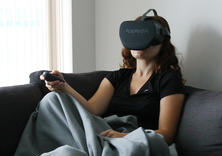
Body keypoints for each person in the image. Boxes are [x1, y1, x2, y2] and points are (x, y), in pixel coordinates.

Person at [40, 15, 186, 146]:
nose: (139, 42)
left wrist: (125, 137)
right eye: (134, 35)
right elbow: (92, 110)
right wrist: (63, 87)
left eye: (145, 36)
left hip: (134, 143)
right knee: (52, 99)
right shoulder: (118, 77)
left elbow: (167, 135)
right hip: (103, 135)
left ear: (162, 42)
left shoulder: (168, 79)